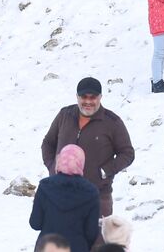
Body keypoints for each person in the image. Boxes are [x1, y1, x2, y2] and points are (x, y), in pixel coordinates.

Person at [41, 77, 136, 217]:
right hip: (62, 195)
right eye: (84, 97)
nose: (88, 102)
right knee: (63, 239)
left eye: (93, 97)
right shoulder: (64, 115)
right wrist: (52, 166)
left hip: (96, 198)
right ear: (77, 97)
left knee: (96, 239)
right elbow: (48, 142)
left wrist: (105, 171)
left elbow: (127, 153)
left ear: (100, 97)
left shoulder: (112, 122)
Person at [30, 144, 102, 252]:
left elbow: (35, 223)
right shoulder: (91, 192)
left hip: (47, 247)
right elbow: (91, 233)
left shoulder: (45, 186)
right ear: (81, 163)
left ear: (60, 160)